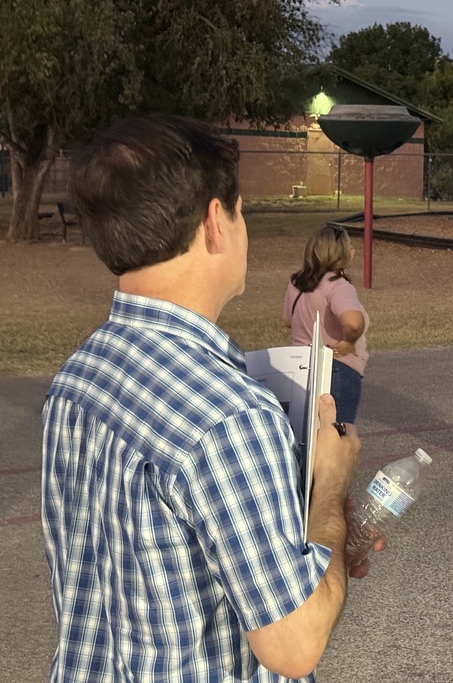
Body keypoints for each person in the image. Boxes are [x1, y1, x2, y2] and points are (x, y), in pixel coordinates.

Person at [41, 114, 377, 682]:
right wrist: (331, 487)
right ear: (215, 222)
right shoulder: (228, 416)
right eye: (242, 208)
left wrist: (321, 541)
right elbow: (294, 645)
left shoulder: (77, 379)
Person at [284, 224, 369, 424]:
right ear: (340, 253)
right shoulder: (339, 285)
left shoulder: (296, 283)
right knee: (339, 437)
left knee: (310, 436)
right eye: (349, 245)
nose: (352, 250)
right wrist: (349, 342)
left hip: (301, 368)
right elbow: (354, 322)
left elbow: (288, 320)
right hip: (336, 369)